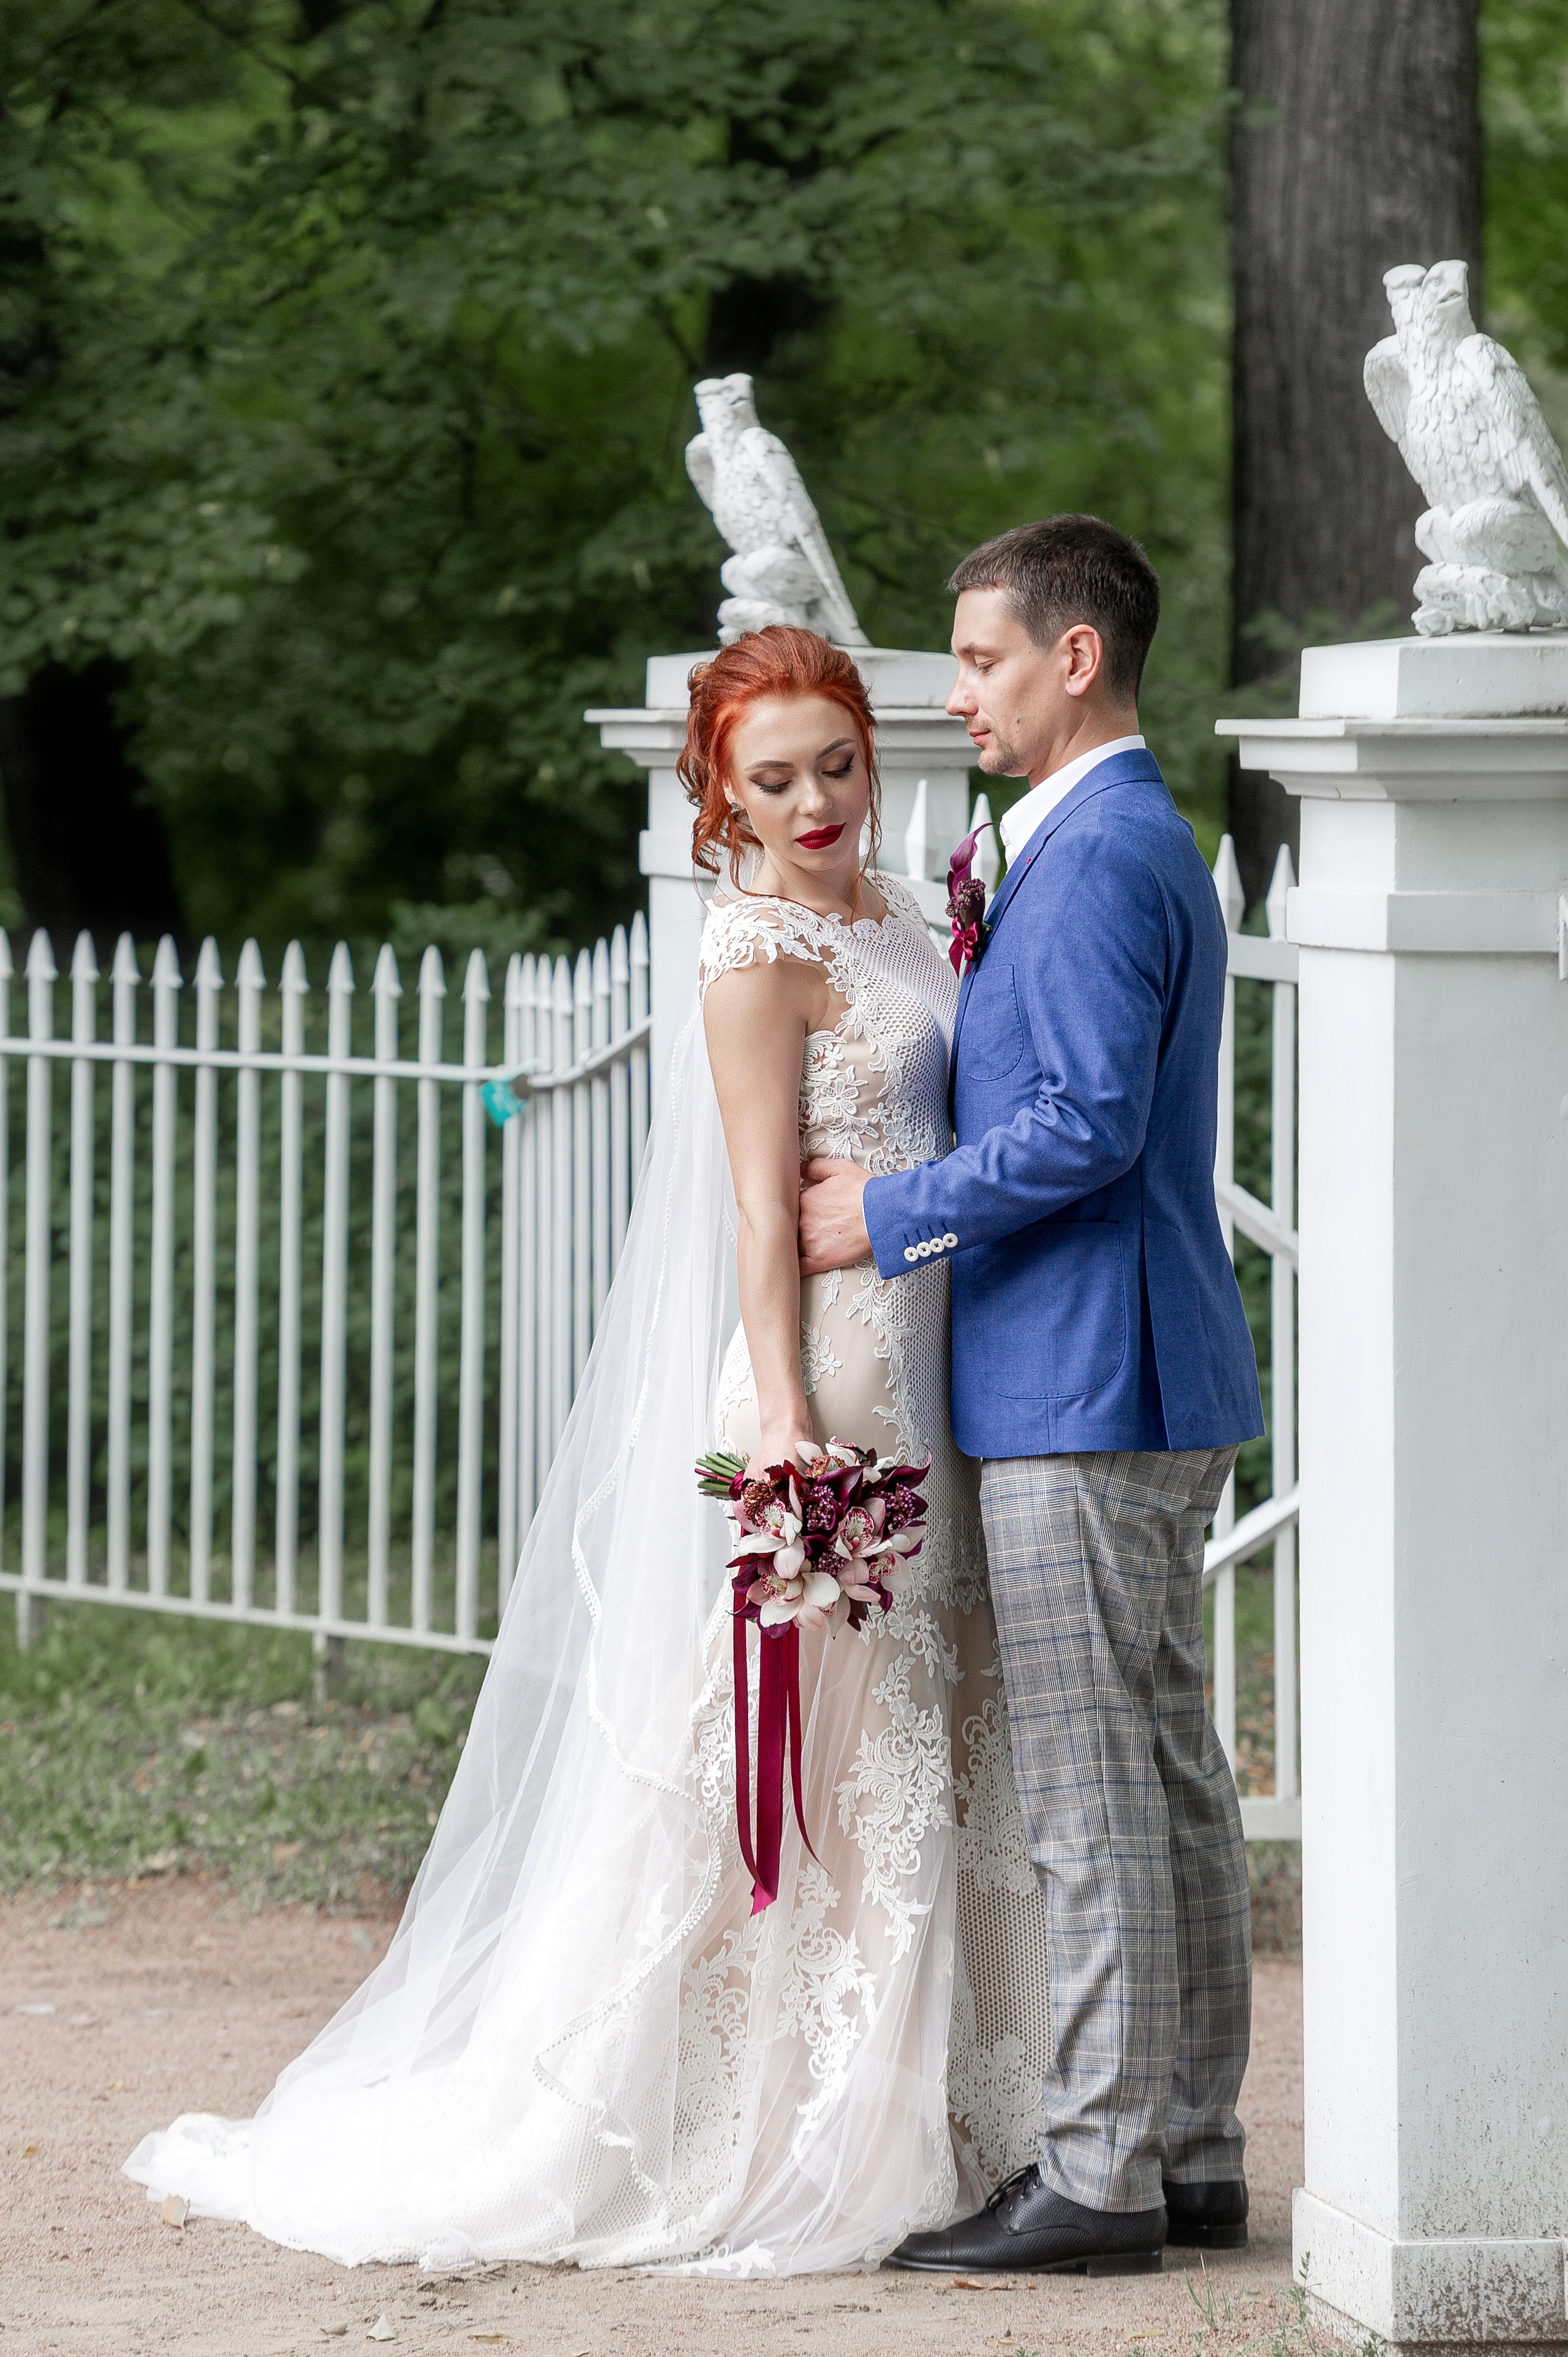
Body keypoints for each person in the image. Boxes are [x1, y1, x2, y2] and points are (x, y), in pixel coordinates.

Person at [123, 627, 1060, 2277]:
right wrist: (782, 1424)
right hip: (832, 1388)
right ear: (723, 792)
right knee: (792, 1772)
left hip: (942, 1369)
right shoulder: (755, 954)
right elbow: (760, 1213)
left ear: (869, 747)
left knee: (910, 1748)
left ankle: (947, 2108)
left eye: (835, 760)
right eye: (772, 778)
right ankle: (775, 2123)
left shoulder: (909, 911)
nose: (816, 799)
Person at [799, 515, 1263, 2275]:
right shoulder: (1113, 839)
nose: (960, 691)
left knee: (1091, 1786)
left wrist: (884, 1210)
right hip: (1137, 1370)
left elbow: (1081, 1127)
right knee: (1163, 1769)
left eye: (985, 657)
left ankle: (1099, 2175)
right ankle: (1190, 2148)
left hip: (1085, 1380)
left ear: (1077, 659)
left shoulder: (1095, 857)